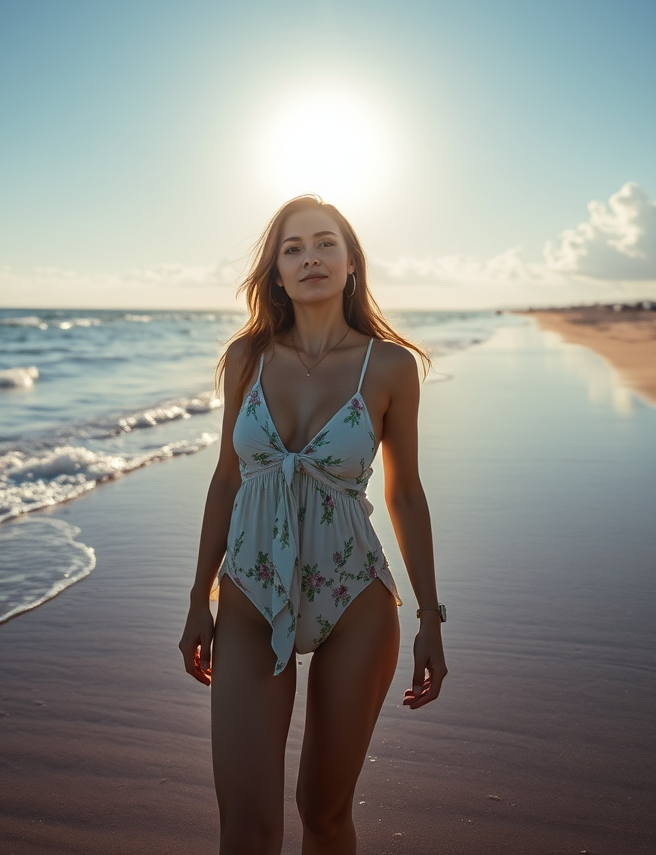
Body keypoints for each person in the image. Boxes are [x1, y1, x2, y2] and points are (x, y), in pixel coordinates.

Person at [179, 194, 447, 854]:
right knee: (247, 827)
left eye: (325, 243)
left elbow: (406, 493)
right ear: (275, 272)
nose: (311, 258)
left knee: (322, 813)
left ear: (352, 262)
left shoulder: (388, 367)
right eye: (292, 248)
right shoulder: (247, 358)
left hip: (352, 596)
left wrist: (431, 618)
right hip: (247, 594)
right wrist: (196, 598)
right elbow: (225, 479)